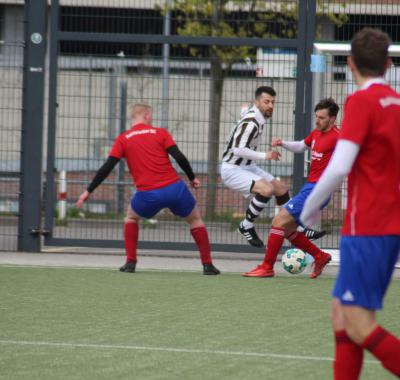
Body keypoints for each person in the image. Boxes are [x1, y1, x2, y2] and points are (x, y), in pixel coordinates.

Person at [301, 28, 400, 380]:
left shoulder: (361, 102)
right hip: (386, 225)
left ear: (350, 63)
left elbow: (341, 166)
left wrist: (308, 211)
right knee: (341, 316)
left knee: (359, 325)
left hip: (368, 228)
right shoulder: (396, 102)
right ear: (388, 64)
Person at [76, 103, 220, 276]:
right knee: (195, 220)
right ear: (145, 115)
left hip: (148, 194)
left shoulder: (124, 138)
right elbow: (179, 156)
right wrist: (192, 178)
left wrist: (88, 191)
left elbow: (107, 167)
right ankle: (207, 265)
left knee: (131, 217)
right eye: (150, 115)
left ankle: (130, 262)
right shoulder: (160, 133)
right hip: (175, 189)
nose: (151, 118)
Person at [242, 97, 340, 278]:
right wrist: (283, 143)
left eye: (322, 118)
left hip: (318, 190)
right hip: (310, 188)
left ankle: (267, 267)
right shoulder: (317, 133)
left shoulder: (337, 137)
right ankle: (320, 256)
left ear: (332, 119)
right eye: (316, 116)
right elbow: (302, 145)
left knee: (278, 221)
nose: (317, 121)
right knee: (287, 230)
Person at [220, 86, 325, 247]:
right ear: (257, 102)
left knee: (281, 189)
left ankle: (298, 228)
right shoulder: (251, 122)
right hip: (232, 169)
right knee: (267, 189)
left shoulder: (257, 117)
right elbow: (237, 149)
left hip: (247, 166)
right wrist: (265, 155)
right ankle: (246, 225)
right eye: (266, 102)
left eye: (273, 102)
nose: (270, 106)